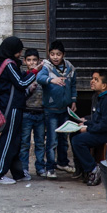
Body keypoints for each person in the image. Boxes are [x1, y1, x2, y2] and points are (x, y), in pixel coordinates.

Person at [0, 36, 38, 184]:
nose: (20, 53)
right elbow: (21, 83)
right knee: (9, 140)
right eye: (19, 50)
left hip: (15, 106)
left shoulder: (9, 64)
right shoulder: (9, 64)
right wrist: (36, 71)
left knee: (15, 141)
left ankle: (18, 173)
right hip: (12, 108)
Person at [70, 70, 107, 186]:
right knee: (74, 134)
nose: (92, 81)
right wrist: (85, 121)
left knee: (78, 141)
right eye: (92, 78)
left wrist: (87, 128)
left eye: (96, 80)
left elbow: (106, 125)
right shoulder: (99, 97)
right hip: (101, 130)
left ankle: (93, 169)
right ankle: (81, 169)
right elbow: (97, 118)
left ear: (104, 86)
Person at [36, 40, 77, 177]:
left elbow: (73, 86)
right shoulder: (46, 67)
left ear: (63, 54)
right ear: (49, 54)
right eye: (52, 54)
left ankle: (63, 163)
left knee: (63, 139)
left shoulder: (70, 67)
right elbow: (39, 78)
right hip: (51, 110)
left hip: (64, 109)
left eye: (58, 54)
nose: (55, 57)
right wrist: (51, 80)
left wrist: (73, 101)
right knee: (52, 140)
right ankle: (50, 167)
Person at [19, 48, 46, 179]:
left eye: (34, 60)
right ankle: (24, 168)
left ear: (39, 61)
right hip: (26, 113)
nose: (32, 62)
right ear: (24, 61)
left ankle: (40, 167)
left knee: (40, 142)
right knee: (24, 143)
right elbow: (20, 96)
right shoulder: (23, 76)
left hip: (40, 113)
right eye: (29, 60)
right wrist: (29, 89)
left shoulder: (42, 76)